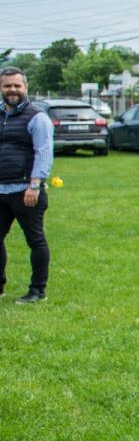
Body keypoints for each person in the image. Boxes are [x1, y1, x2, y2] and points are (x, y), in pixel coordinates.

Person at [0, 66, 53, 303]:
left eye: (17, 85)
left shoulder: (37, 117)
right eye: (7, 85)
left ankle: (37, 291)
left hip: (25, 191)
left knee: (35, 240)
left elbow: (44, 152)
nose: (12, 90)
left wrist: (34, 185)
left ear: (26, 87)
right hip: (1, 189)